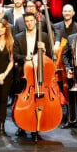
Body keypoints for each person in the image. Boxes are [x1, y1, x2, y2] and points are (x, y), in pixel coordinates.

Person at [12, 11, 54, 141]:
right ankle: (22, 126)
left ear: (35, 21)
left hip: (40, 75)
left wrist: (45, 51)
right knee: (23, 101)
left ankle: (36, 127)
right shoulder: (18, 37)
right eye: (26, 21)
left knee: (38, 102)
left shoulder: (44, 36)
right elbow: (15, 55)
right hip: (24, 74)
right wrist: (25, 58)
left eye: (31, 21)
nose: (29, 23)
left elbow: (50, 57)